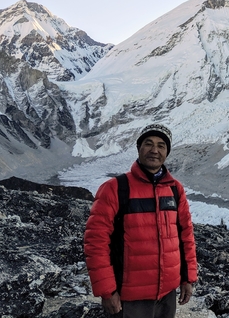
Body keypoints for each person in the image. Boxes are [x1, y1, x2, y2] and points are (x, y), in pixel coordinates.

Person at [84, 124, 197, 317]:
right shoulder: (115, 188)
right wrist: (107, 291)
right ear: (139, 148)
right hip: (130, 298)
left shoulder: (175, 190)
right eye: (149, 144)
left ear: (167, 152)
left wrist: (188, 278)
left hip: (166, 295)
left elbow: (185, 235)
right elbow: (96, 241)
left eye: (161, 146)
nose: (155, 150)